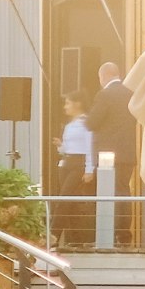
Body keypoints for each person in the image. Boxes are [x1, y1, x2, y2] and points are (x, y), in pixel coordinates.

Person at [86, 62, 138, 198]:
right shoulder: (130, 93)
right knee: (123, 191)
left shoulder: (104, 95)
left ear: (104, 76)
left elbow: (92, 123)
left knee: (107, 194)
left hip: (107, 156)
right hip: (127, 153)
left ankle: (110, 220)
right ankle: (125, 220)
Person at [54, 89, 97, 248]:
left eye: (68, 103)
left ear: (77, 104)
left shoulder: (86, 123)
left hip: (79, 163)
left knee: (63, 199)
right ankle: (76, 239)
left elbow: (89, 146)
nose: (65, 107)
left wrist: (89, 169)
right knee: (70, 202)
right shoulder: (69, 125)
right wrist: (61, 146)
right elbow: (68, 148)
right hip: (67, 163)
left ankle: (53, 235)